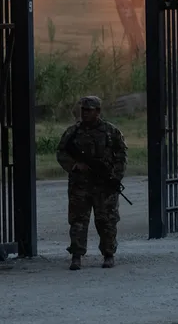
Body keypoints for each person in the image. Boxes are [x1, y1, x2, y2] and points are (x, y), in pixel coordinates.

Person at [56, 95, 128, 270]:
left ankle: (108, 254)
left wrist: (114, 177)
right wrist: (75, 166)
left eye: (89, 110)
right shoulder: (73, 132)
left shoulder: (111, 132)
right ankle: (76, 255)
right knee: (78, 221)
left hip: (104, 185)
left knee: (106, 220)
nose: (85, 113)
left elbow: (121, 156)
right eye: (83, 110)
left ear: (98, 111)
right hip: (80, 185)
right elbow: (61, 153)